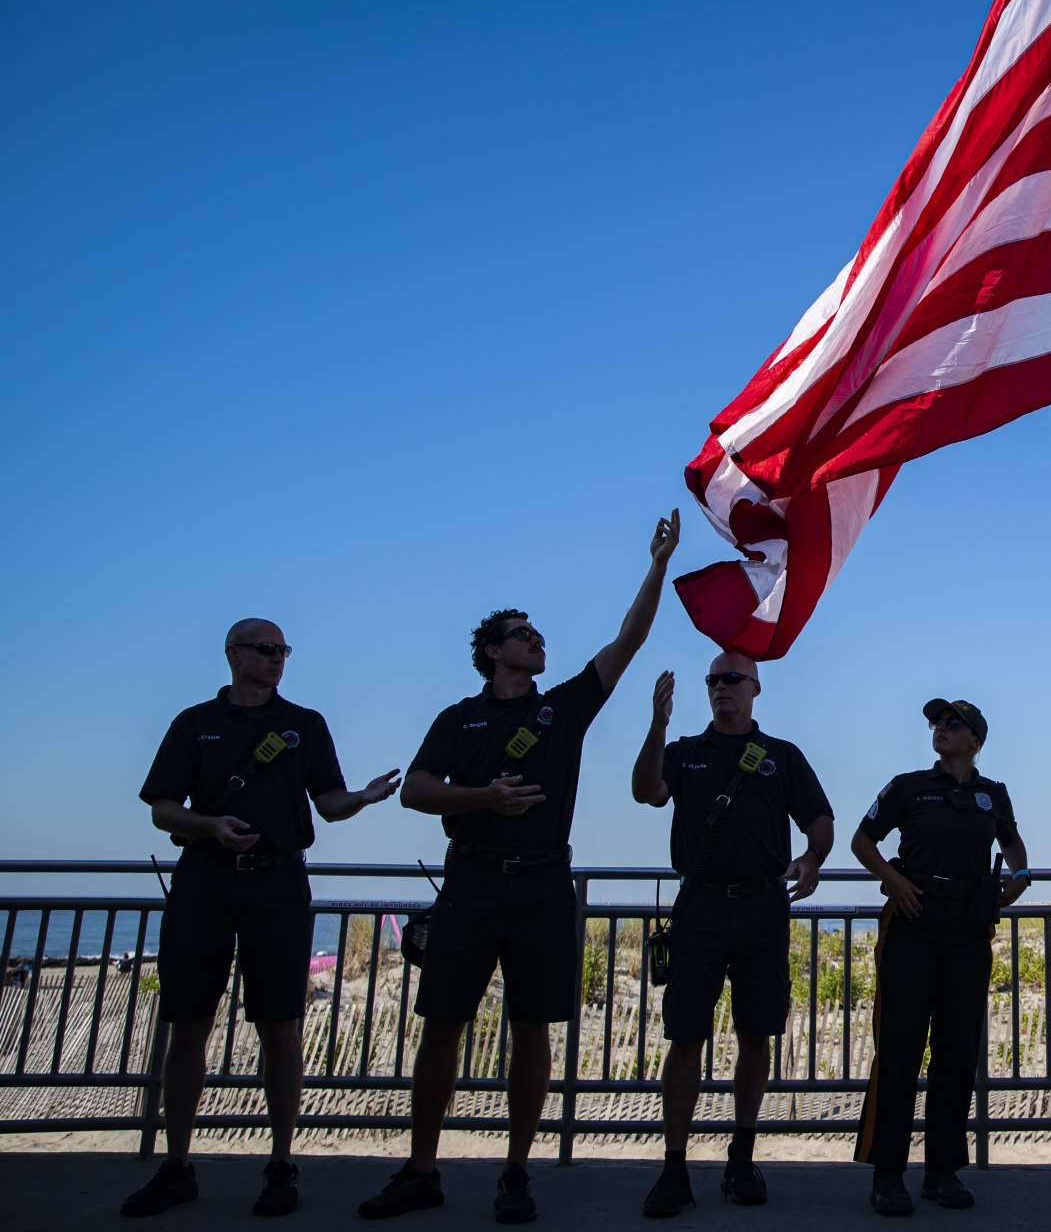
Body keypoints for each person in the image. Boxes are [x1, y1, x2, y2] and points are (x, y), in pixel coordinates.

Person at [359, 515, 680, 1224]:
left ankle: (516, 1171)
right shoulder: (458, 718)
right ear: (491, 652)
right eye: (522, 633)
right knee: (442, 1023)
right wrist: (484, 799)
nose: (537, 639)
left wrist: (657, 562)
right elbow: (416, 789)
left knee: (533, 1028)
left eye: (538, 633)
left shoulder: (562, 707)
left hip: (541, 883)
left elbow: (627, 641)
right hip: (472, 878)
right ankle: (421, 1169)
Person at [123, 619, 399, 1218]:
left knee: (280, 1026)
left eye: (284, 651)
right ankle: (177, 1164)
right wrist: (211, 827)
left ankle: (280, 1163)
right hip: (205, 882)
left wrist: (366, 797)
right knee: (187, 1022)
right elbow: (163, 811)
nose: (278, 659)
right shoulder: (194, 724)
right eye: (267, 650)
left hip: (278, 884)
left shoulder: (305, 725)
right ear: (234, 655)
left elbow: (329, 804)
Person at [630, 650, 835, 1218]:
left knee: (755, 1035)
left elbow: (820, 817)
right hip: (700, 911)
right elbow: (646, 791)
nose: (721, 687)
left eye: (732, 679)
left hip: (762, 911)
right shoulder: (684, 752)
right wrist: (656, 725)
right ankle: (674, 1170)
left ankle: (741, 1159)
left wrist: (812, 857)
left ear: (755, 688)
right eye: (713, 680)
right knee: (686, 1038)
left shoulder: (781, 757)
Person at [851, 699, 1031, 1215]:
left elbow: (1016, 849)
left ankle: (942, 1172)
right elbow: (862, 841)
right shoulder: (908, 786)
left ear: (975, 740)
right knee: (900, 1049)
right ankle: (888, 1174)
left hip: (969, 929)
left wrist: (1017, 881)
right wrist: (893, 879)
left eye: (952, 723)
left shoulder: (991, 795)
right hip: (913, 921)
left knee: (956, 1052)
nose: (940, 729)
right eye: (936, 723)